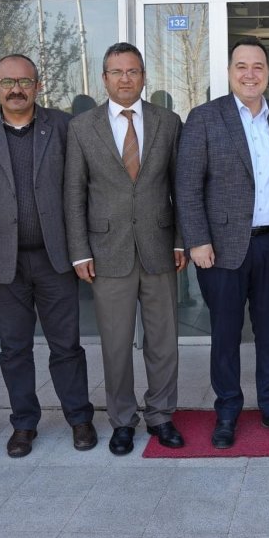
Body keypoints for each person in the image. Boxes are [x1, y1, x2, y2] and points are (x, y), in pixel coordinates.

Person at [0, 54, 96, 459]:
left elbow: (81, 191)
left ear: (38, 85)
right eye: (7, 82)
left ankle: (79, 418)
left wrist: (82, 250)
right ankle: (24, 423)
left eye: (24, 81)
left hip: (55, 259)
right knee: (14, 349)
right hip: (3, 263)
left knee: (66, 346)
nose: (16, 89)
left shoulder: (64, 127)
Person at [176, 36, 269, 449]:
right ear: (230, 72)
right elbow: (187, 186)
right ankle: (227, 411)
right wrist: (197, 240)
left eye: (258, 67)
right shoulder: (205, 117)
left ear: (268, 73)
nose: (250, 74)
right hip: (220, 248)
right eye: (241, 66)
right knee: (226, 334)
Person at [65, 42, 187, 455]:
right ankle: (122, 420)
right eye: (116, 72)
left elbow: (179, 187)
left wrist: (180, 239)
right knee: (116, 344)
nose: (125, 79)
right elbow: (74, 194)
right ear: (104, 78)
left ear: (144, 77)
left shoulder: (168, 122)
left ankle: (161, 415)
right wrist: (80, 251)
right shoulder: (82, 127)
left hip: (159, 247)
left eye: (132, 71)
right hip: (106, 251)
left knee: (163, 341)